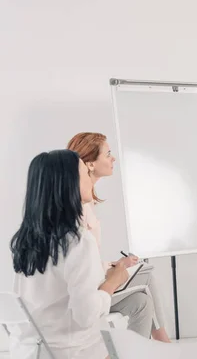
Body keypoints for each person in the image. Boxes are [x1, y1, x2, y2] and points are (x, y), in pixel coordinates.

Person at [8, 149, 129, 359]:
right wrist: (112, 282)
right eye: (84, 173)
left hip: (28, 351)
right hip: (69, 352)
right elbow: (86, 315)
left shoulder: (25, 240)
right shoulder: (78, 241)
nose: (90, 179)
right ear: (69, 183)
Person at [67, 132, 170, 342]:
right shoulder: (78, 207)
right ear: (90, 164)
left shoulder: (86, 202)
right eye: (108, 154)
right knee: (147, 275)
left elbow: (86, 257)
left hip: (91, 281)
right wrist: (111, 269)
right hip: (85, 294)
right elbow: (78, 262)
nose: (113, 159)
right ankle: (164, 344)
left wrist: (114, 265)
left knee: (141, 302)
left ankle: (137, 353)